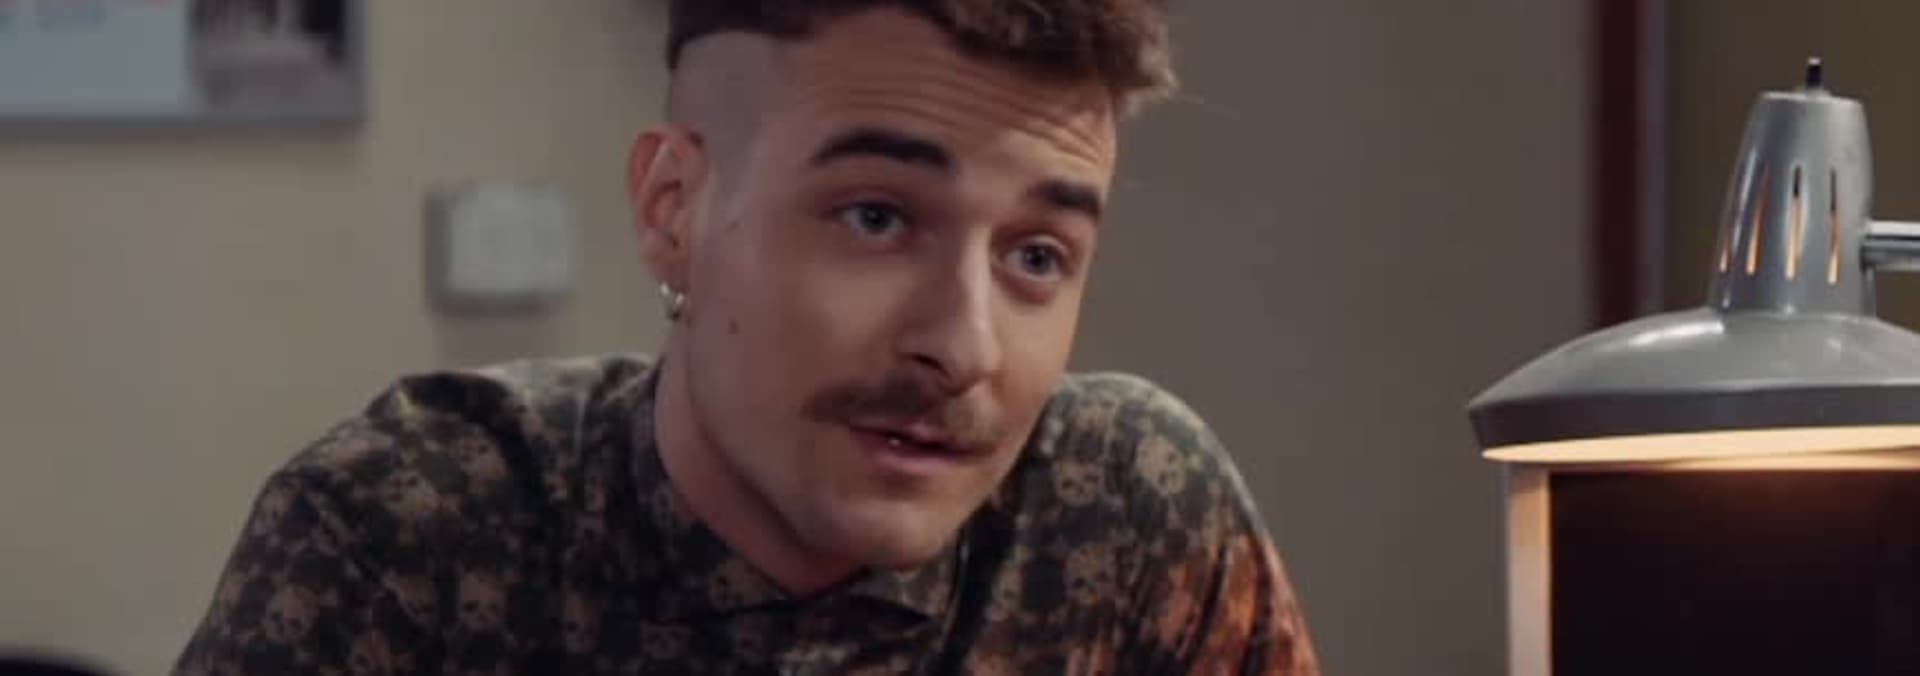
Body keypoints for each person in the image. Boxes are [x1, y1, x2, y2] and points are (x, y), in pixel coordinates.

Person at [173, 1, 1321, 673]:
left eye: (1036, 256)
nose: (965, 347)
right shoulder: (410, 539)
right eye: (876, 219)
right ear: (674, 208)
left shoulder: (1125, 514)